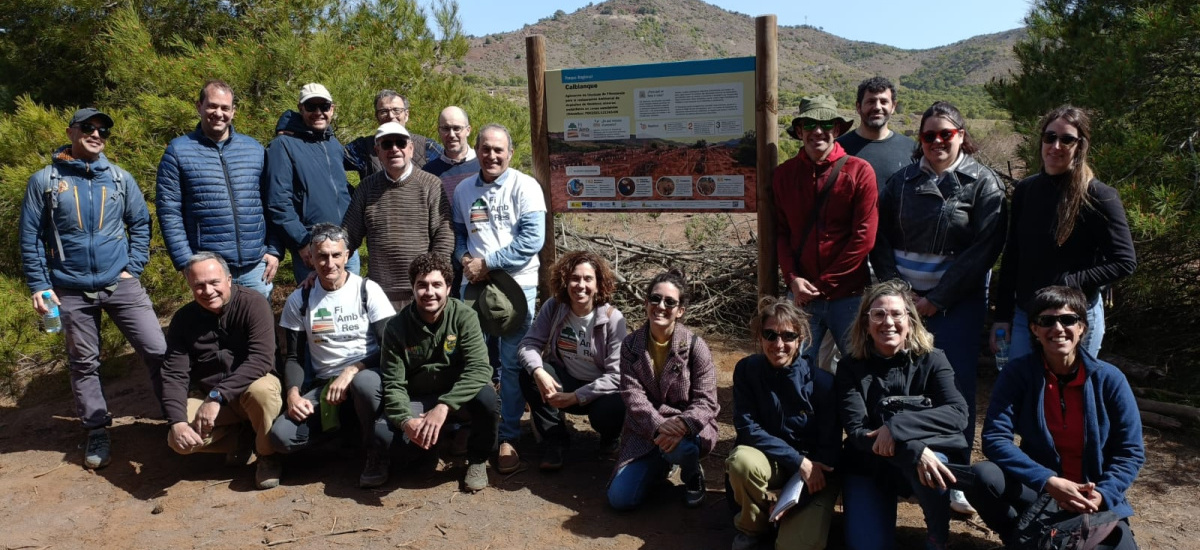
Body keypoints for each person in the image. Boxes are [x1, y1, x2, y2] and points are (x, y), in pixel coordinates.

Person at [870, 101, 1008, 514]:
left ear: (961, 135)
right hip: (905, 305)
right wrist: (900, 296)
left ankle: (956, 477)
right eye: (928, 135)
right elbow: (880, 240)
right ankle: (911, 468)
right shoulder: (901, 182)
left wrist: (936, 299)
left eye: (945, 134)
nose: (936, 142)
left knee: (956, 388)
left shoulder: (985, 184)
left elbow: (984, 251)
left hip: (957, 306)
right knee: (905, 384)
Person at [18, 107, 167, 470]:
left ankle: (175, 414)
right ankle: (97, 428)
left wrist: (133, 268)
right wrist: (39, 283)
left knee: (158, 348)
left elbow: (141, 224)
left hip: (120, 283)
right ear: (71, 132)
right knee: (84, 363)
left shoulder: (119, 178)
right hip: (69, 288)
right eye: (88, 127)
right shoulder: (46, 181)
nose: (96, 134)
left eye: (103, 130)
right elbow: (30, 237)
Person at [966, 286, 1143, 549]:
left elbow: (1130, 452)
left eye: (1068, 320)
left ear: (1082, 327)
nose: (1058, 328)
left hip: (1091, 496)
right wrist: (1048, 481)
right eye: (1047, 321)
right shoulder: (1018, 374)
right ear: (1035, 330)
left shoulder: (1110, 379)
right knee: (983, 476)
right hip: (1038, 489)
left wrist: (1102, 495)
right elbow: (995, 438)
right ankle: (1019, 538)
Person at [992, 105, 1136, 360]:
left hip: (1075, 318)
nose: (1056, 145)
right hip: (1028, 315)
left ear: (1080, 146)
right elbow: (1013, 255)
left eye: (1067, 139)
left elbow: (1124, 262)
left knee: (1071, 395)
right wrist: (1002, 317)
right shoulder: (1026, 190)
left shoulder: (1098, 196)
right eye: (1050, 137)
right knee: (1025, 393)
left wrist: (1070, 281)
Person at [836, 280, 969, 550]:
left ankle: (937, 536)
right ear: (865, 322)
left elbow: (958, 413)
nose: (888, 322)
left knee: (934, 465)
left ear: (910, 319)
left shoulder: (933, 359)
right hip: (868, 464)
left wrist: (897, 428)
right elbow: (858, 432)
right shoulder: (850, 366)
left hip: (924, 462)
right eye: (879, 314)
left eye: (897, 313)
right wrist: (913, 447)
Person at [268, 224, 396, 487]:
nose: (329, 263)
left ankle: (375, 453)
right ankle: (343, 439)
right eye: (322, 256)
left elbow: (390, 348)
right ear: (310, 258)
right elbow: (292, 356)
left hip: (368, 376)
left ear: (347, 255)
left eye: (336, 255)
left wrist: (353, 370)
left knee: (364, 385)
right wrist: (292, 393)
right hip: (325, 387)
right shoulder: (300, 300)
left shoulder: (368, 290)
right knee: (281, 436)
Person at [451, 123, 546, 473]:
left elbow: (531, 242)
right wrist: (465, 260)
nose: (491, 155)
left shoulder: (527, 187)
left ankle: (508, 436)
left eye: (498, 150)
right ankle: (478, 430)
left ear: (510, 153)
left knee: (510, 363)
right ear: (476, 150)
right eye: (486, 148)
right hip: (472, 288)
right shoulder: (463, 190)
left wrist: (487, 263)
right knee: (475, 362)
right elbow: (460, 235)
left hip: (516, 287)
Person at [773, 95, 878, 371]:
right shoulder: (784, 175)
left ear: (837, 129)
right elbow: (781, 233)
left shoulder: (859, 171)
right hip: (801, 295)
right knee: (794, 369)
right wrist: (793, 279)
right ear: (799, 131)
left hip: (849, 294)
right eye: (809, 124)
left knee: (859, 368)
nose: (817, 131)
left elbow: (864, 237)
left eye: (826, 123)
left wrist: (824, 283)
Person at [161, 253, 283, 489]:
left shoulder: (253, 303)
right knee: (176, 440)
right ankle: (240, 439)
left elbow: (261, 359)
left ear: (228, 279)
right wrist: (176, 422)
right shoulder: (183, 320)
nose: (208, 291)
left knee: (263, 391)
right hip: (216, 402)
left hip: (249, 391)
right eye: (199, 285)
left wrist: (217, 396)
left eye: (214, 282)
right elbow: (174, 374)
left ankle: (268, 455)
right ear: (190, 286)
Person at [380, 252, 500, 493]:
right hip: (419, 398)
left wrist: (445, 405)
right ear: (412, 288)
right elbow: (394, 384)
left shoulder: (465, 316)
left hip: (457, 397)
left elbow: (479, 369)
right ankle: (427, 448)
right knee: (383, 436)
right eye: (421, 285)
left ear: (448, 287)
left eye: (437, 285)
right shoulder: (395, 327)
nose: (429, 292)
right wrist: (406, 421)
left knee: (488, 399)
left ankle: (477, 459)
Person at [727, 297, 841, 550]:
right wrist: (797, 461)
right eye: (770, 335)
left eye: (788, 336)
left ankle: (783, 515)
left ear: (801, 339)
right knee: (741, 460)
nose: (778, 344)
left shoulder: (823, 383)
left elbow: (829, 451)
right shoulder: (747, 370)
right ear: (760, 337)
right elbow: (747, 428)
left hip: (813, 476)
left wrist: (791, 499)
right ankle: (753, 527)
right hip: (778, 462)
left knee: (798, 545)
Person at [156, 80, 281, 299]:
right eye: (212, 106)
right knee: (218, 331)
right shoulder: (178, 151)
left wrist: (274, 249)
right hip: (210, 270)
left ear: (233, 111)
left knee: (259, 329)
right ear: (199, 106)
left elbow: (272, 202)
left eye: (225, 108)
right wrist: (186, 262)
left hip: (256, 267)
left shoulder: (254, 149)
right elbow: (169, 213)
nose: (218, 113)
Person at [607, 269, 719, 511]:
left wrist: (681, 425)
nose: (661, 306)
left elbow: (707, 401)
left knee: (682, 447)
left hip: (687, 429)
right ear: (646, 303)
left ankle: (691, 475)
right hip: (647, 428)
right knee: (620, 499)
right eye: (655, 299)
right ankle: (661, 463)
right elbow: (632, 396)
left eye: (670, 302)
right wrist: (658, 425)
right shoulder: (631, 345)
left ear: (680, 310)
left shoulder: (695, 347)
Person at [517, 251, 628, 470]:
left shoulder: (613, 319)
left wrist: (576, 397)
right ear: (565, 281)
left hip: (598, 393)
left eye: (588, 279)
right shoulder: (555, 307)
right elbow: (527, 344)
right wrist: (538, 371)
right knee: (529, 374)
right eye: (575, 278)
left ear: (598, 284)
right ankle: (555, 439)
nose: (580, 285)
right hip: (565, 381)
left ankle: (610, 438)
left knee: (615, 405)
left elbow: (617, 376)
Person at [342, 122, 453, 310]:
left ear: (410, 149)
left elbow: (444, 236)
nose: (394, 149)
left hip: (422, 295)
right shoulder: (366, 188)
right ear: (378, 151)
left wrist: (431, 283)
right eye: (387, 144)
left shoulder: (431, 185)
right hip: (379, 295)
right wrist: (324, 268)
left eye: (400, 143)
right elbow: (347, 236)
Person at [264, 82, 360, 281]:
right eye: (311, 107)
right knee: (318, 309)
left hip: (345, 245)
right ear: (301, 109)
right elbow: (278, 202)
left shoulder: (333, 145)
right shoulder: (283, 145)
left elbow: (340, 190)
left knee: (352, 307)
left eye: (324, 107)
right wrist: (302, 242)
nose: (318, 112)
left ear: (332, 109)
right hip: (313, 247)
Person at [424, 105, 479, 297]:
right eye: (445, 129)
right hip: (444, 262)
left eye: (457, 128)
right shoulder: (429, 172)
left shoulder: (485, 166)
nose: (452, 134)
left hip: (480, 261)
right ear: (439, 131)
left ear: (468, 130)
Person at [836, 76, 917, 188]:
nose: (877, 107)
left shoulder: (911, 149)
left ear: (893, 107)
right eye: (871, 101)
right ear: (858, 107)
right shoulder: (838, 149)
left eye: (884, 102)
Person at [344, 89, 442, 180]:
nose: (390, 116)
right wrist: (349, 195)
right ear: (377, 117)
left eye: (396, 110)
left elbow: (451, 164)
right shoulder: (364, 147)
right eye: (384, 111)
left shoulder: (426, 146)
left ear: (406, 115)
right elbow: (331, 162)